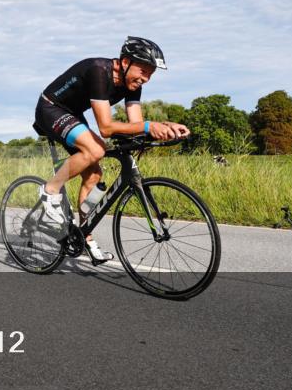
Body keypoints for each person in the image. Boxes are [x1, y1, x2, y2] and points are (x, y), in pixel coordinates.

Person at [34, 37, 190, 264]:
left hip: (73, 114)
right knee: (96, 149)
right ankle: (50, 190)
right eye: (143, 71)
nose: (145, 78)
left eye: (150, 74)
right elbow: (106, 127)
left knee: (95, 174)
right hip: (51, 108)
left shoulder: (133, 84)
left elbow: (135, 124)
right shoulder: (99, 71)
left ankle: (83, 236)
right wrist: (149, 126)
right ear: (125, 62)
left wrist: (167, 128)